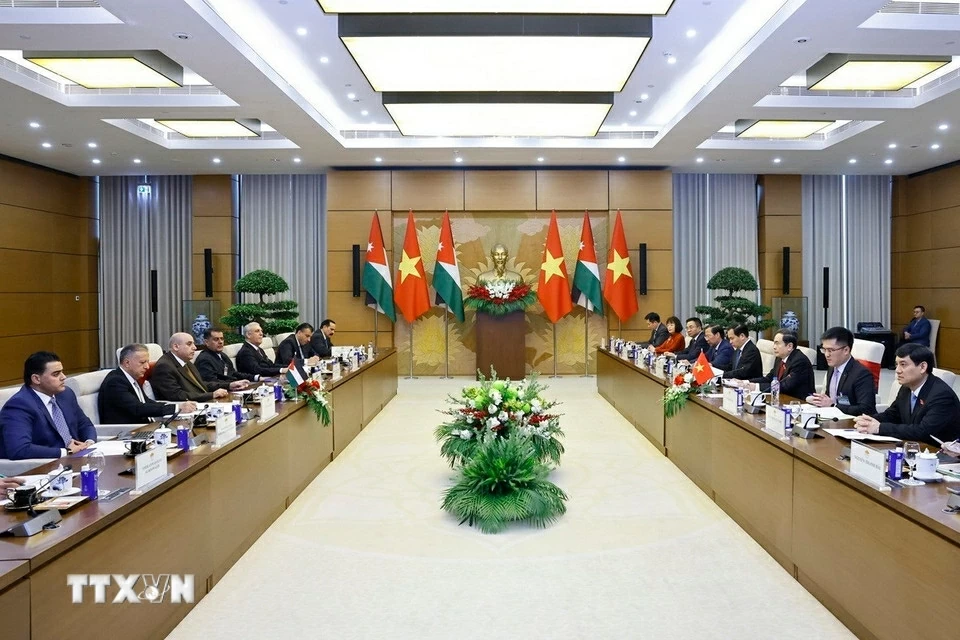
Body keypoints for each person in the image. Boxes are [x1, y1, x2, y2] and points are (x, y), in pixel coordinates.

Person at [854, 344, 960, 446]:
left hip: (939, 455)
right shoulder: (906, 388)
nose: (897, 370)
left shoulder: (941, 395)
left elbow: (923, 431)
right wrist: (867, 420)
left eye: (903, 365)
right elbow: (892, 415)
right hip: (914, 447)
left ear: (923, 367)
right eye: (897, 365)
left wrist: (879, 428)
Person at [0, 351, 97, 459]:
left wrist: (89, 443)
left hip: (78, 458)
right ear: (36, 379)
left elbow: (85, 424)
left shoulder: (65, 394)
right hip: (46, 466)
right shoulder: (19, 405)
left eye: (62, 372)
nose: (63, 377)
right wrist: (66, 452)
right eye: (56, 374)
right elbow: (19, 449)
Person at [99, 344, 197, 424]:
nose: (147, 367)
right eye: (142, 362)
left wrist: (178, 406)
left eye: (147, 362)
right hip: (127, 434)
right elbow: (138, 408)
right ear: (127, 363)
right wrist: (176, 408)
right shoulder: (115, 382)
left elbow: (147, 402)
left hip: (145, 428)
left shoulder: (130, 377)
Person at [152, 333, 242, 402]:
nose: (194, 348)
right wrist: (211, 395)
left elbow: (201, 384)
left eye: (193, 344)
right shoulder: (165, 366)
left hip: (202, 403)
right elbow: (177, 395)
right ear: (176, 347)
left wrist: (229, 385)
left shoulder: (186, 362)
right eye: (189, 344)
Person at [807, 326, 876, 415]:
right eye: (824, 350)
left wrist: (833, 406)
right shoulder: (832, 367)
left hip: (854, 423)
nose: (827, 355)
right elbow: (830, 397)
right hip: (832, 418)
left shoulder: (861, 374)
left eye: (831, 350)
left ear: (846, 350)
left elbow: (866, 409)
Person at [750, 331, 815, 399]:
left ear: (789, 346)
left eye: (777, 343)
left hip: (799, 402)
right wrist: (747, 383)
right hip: (782, 399)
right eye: (774, 343)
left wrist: (756, 387)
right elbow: (770, 378)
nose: (774, 347)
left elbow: (785, 386)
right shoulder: (779, 358)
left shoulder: (800, 361)